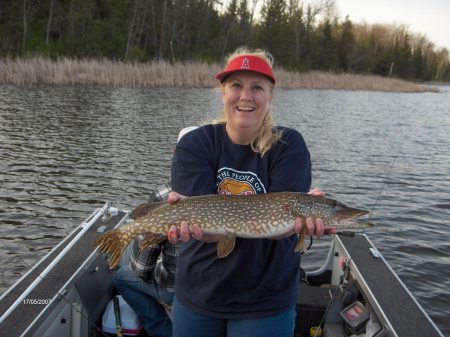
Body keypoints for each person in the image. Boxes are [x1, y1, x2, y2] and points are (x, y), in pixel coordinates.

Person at [166, 46, 326, 337]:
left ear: (270, 96)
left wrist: (302, 220)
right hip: (199, 294)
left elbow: (280, 222)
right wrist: (188, 222)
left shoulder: (289, 146)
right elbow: (206, 225)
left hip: (266, 300)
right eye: (236, 85)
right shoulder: (195, 144)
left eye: (257, 88)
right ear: (222, 91)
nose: (246, 96)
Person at [114, 232, 177, 337]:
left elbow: (140, 271)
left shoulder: (162, 217)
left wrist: (144, 230)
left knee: (121, 276)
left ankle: (163, 331)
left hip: (179, 291)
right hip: (210, 290)